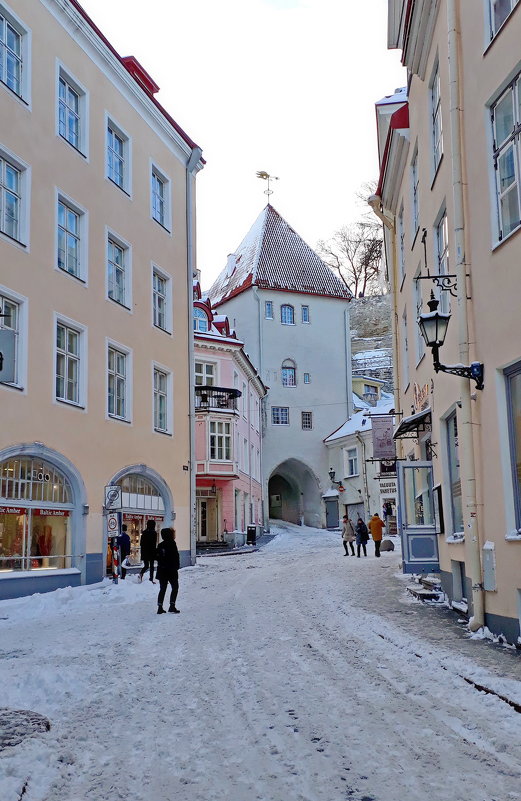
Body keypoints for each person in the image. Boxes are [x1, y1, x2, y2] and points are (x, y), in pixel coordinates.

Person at [155, 527, 180, 614]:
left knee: (162, 588)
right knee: (175, 587)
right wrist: (176, 567)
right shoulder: (172, 544)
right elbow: (175, 556)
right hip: (171, 570)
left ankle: (160, 606)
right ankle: (172, 605)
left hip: (162, 569)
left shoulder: (160, 545)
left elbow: (157, 556)